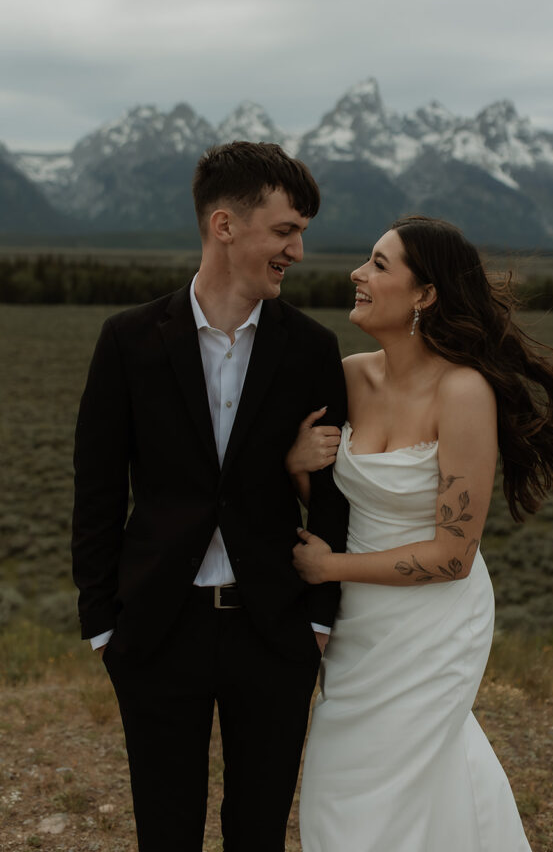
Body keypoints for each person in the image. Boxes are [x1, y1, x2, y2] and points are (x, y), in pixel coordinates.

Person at [286, 214, 553, 852]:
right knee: (343, 784)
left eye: (379, 264)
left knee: (403, 775)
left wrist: (328, 569)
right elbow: (337, 502)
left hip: (434, 622)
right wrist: (296, 468)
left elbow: (452, 555)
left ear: (425, 295)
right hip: (359, 622)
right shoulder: (349, 375)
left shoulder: (464, 391)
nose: (357, 274)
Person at [71, 141, 349, 852]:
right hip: (158, 627)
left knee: (257, 831)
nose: (298, 250)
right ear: (225, 226)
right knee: (166, 830)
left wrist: (317, 622)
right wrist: (104, 624)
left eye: (302, 234)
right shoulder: (128, 340)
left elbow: (332, 497)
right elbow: (97, 488)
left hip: (274, 629)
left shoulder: (313, 348)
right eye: (285, 231)